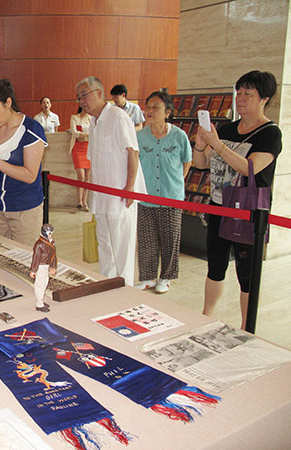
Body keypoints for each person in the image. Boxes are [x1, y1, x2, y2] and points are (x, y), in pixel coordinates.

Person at [193, 70, 282, 329]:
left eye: (248, 94)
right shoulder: (227, 128)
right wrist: (201, 143)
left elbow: (250, 168)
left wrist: (218, 145)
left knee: (247, 274)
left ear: (264, 98)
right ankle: (206, 316)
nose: (240, 98)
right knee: (215, 265)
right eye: (239, 92)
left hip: (248, 211)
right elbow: (200, 163)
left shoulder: (270, 133)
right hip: (219, 205)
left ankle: (247, 327)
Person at [76, 76, 146, 286]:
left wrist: (129, 188)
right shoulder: (95, 122)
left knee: (122, 247)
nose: (81, 101)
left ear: (99, 93)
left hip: (121, 195)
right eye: (78, 98)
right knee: (105, 244)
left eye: (84, 95)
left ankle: (125, 292)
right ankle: (107, 285)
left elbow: (133, 153)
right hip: (102, 197)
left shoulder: (118, 117)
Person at [0, 79, 47, 247]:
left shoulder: (31, 129)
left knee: (24, 260)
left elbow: (30, 176)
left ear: (8, 102)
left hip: (25, 209)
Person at [136, 92, 192, 293]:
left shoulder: (179, 136)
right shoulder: (140, 137)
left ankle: (166, 277)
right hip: (146, 195)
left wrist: (177, 183)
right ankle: (147, 277)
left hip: (172, 197)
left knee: (170, 238)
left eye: (155, 107)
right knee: (146, 239)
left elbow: (187, 161)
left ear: (167, 112)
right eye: (148, 107)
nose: (149, 111)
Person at [29, 224, 57, 313]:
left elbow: (53, 256)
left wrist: (53, 266)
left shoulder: (51, 242)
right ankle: (39, 304)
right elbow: (36, 258)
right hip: (41, 266)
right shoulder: (39, 245)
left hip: (46, 266)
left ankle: (41, 301)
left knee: (44, 284)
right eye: (49, 233)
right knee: (40, 285)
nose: (50, 235)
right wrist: (33, 270)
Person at [69, 106, 92, 211]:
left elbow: (94, 132)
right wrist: (86, 135)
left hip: (88, 148)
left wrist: (85, 136)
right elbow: (75, 133)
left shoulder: (91, 118)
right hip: (78, 148)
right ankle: (79, 201)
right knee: (81, 176)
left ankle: (84, 201)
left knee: (87, 177)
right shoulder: (74, 117)